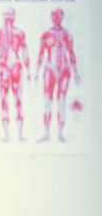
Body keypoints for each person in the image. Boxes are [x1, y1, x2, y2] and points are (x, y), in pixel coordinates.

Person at [0, 7, 31, 142]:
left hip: (15, 65)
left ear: (14, 16)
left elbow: (25, 52)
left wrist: (28, 71)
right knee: (4, 100)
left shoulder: (19, 33)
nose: (8, 17)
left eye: (9, 14)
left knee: (18, 100)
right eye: (5, 14)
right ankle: (8, 135)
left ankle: (19, 134)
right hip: (4, 67)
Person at [34, 8, 80, 143]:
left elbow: (71, 53)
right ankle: (47, 133)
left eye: (58, 15)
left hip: (64, 70)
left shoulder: (67, 35)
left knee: (61, 103)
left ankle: (60, 133)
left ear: (62, 17)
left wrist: (76, 72)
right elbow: (41, 53)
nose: (55, 18)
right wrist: (36, 72)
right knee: (48, 102)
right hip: (50, 69)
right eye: (53, 15)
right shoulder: (46, 34)